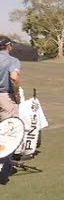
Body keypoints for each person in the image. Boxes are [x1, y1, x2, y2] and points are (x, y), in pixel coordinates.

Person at [0, 38, 21, 184]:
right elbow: (14, 77)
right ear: (8, 46)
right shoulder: (12, 60)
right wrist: (18, 93)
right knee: (9, 131)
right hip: (5, 97)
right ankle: (3, 169)